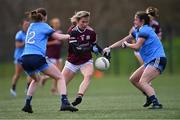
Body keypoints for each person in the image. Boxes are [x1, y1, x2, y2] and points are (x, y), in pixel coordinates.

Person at [104, 11, 167, 109]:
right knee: (133, 79)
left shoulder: (145, 30)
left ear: (142, 21)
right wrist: (109, 48)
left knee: (143, 81)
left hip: (157, 59)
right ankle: (149, 95)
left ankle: (156, 103)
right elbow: (123, 40)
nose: (134, 21)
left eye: (136, 19)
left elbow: (137, 46)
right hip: (150, 61)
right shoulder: (137, 30)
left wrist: (127, 44)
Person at [20, 8, 78, 113]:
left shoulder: (31, 26)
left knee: (36, 79)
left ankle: (27, 104)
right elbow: (58, 37)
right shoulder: (44, 26)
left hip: (24, 59)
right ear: (45, 17)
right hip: (36, 57)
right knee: (60, 77)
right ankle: (64, 103)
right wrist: (69, 36)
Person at [62, 11, 103, 107]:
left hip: (86, 60)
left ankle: (79, 96)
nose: (85, 24)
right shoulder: (72, 31)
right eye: (83, 22)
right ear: (77, 21)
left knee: (88, 75)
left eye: (87, 22)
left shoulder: (91, 32)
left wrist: (103, 52)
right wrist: (91, 48)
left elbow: (93, 44)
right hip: (72, 61)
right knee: (62, 83)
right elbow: (77, 50)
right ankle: (64, 103)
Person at [10, 19, 31, 96]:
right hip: (19, 57)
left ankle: (28, 89)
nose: (27, 26)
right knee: (18, 74)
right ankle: (13, 88)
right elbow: (17, 45)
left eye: (28, 25)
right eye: (25, 25)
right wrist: (25, 42)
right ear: (22, 26)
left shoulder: (30, 33)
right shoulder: (19, 34)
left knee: (30, 73)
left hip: (28, 56)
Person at [44, 18, 63, 94]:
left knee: (59, 73)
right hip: (51, 55)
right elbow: (45, 43)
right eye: (55, 23)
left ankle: (44, 78)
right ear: (52, 24)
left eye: (58, 22)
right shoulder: (49, 32)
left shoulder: (60, 32)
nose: (57, 24)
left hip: (58, 55)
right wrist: (54, 42)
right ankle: (54, 88)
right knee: (56, 73)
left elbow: (60, 44)